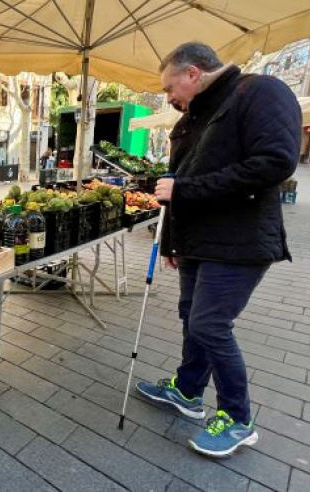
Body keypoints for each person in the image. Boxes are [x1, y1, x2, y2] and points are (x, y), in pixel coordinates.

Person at [136, 42, 302, 458]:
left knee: (210, 325)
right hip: (197, 242)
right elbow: (177, 183)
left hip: (239, 241)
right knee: (192, 318)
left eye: (170, 87)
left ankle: (238, 418)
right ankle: (189, 391)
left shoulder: (259, 91)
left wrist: (185, 189)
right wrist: (172, 240)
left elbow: (276, 162)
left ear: (192, 73)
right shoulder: (192, 117)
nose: (168, 98)